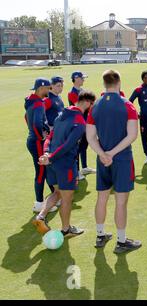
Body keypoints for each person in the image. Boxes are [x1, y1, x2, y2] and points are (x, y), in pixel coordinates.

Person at [86, 70, 142, 254]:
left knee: (101, 197)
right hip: (122, 159)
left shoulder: (95, 106)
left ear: (104, 83)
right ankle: (121, 240)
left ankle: (100, 235)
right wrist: (112, 153)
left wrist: (103, 154)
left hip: (102, 159)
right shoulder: (127, 106)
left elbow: (90, 137)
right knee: (120, 202)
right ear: (119, 82)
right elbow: (132, 135)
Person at [32, 91, 97, 237]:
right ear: (87, 102)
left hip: (51, 164)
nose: (92, 107)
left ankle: (41, 217)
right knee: (67, 198)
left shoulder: (61, 115)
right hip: (65, 164)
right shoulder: (80, 122)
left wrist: (47, 153)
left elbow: (49, 137)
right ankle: (66, 229)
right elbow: (68, 145)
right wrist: (51, 156)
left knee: (57, 192)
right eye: (92, 104)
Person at [25, 78, 57, 213]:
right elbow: (36, 123)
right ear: (41, 89)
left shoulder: (31, 101)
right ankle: (39, 203)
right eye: (48, 88)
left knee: (44, 170)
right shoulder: (38, 103)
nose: (49, 90)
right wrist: (41, 135)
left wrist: (43, 129)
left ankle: (52, 197)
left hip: (34, 140)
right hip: (37, 142)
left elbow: (27, 118)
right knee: (41, 171)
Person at [68, 71, 95, 180]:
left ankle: (84, 167)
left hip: (86, 122)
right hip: (77, 123)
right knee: (77, 149)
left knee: (84, 146)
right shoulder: (72, 93)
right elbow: (81, 107)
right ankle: (76, 171)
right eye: (82, 78)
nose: (83, 80)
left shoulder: (82, 91)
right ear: (76, 79)